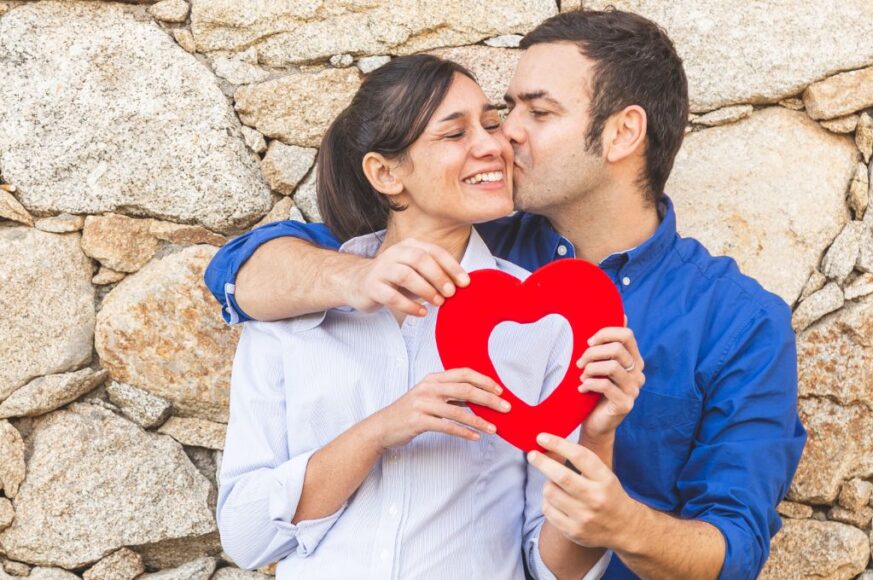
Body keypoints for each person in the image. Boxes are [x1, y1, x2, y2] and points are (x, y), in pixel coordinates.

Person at [207, 10, 806, 580]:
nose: (504, 134)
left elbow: (734, 549)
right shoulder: (453, 231)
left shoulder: (739, 321)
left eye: (537, 112)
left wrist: (622, 522)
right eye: (506, 110)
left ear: (622, 132)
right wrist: (351, 280)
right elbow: (241, 270)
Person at [216, 54, 645, 579]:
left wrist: (598, 440)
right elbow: (246, 537)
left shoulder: (546, 329)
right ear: (386, 173)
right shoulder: (293, 312)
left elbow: (558, 571)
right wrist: (378, 431)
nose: (492, 145)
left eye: (491, 124)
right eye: (455, 133)